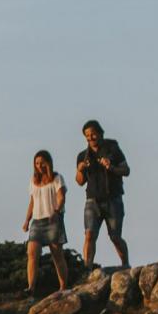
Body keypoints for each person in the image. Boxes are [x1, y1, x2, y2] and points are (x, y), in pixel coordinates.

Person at [73, 119, 131, 271]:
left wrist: (110, 167)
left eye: (93, 134)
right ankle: (87, 269)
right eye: (87, 135)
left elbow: (126, 170)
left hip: (113, 198)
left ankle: (125, 265)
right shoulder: (83, 156)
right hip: (92, 200)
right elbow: (79, 182)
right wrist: (80, 170)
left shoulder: (113, 148)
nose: (91, 137)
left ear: (100, 133)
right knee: (89, 235)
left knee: (115, 237)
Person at [22, 150, 70, 293]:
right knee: (32, 253)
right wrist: (27, 220)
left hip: (53, 220)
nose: (39, 165)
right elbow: (32, 202)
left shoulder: (57, 178)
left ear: (48, 162)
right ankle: (31, 287)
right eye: (37, 163)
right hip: (37, 221)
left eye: (42, 162)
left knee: (57, 254)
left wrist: (56, 211)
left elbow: (61, 197)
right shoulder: (33, 180)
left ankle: (63, 287)